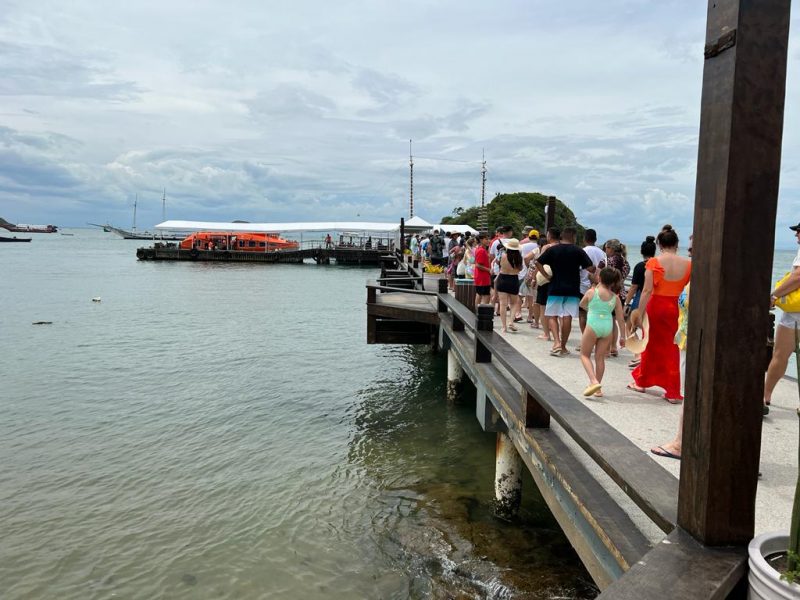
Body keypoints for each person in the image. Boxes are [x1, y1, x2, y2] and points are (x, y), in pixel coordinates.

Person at [628, 224, 691, 403]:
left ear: (659, 244)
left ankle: (642, 382)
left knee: (650, 342)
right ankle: (672, 391)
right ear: (677, 244)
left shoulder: (653, 262)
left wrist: (638, 313)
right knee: (673, 346)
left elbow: (647, 290)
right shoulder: (689, 264)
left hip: (656, 306)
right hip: (676, 307)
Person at [536, 226, 595, 356]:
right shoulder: (578, 251)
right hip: (572, 288)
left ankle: (556, 342)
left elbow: (538, 262)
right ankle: (563, 346)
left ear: (562, 236)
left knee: (552, 315)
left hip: (555, 286)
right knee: (567, 316)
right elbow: (590, 268)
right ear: (573, 237)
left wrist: (546, 275)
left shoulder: (553, 250)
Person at [764, 223, 800, 412]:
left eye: (799, 232)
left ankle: (765, 395)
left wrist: (774, 295)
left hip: (796, 314)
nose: (796, 237)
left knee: (780, 354)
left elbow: (797, 277)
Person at [579, 267, 626, 397]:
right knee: (600, 358)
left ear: (599, 278)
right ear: (613, 282)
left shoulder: (591, 292)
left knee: (584, 355)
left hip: (593, 324)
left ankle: (593, 381)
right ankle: (598, 388)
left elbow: (582, 304)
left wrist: (591, 309)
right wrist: (623, 336)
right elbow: (621, 319)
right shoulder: (615, 298)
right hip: (607, 326)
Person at [624, 236, 657, 369]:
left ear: (641, 251)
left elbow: (633, 287)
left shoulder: (639, 266)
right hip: (655, 299)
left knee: (630, 326)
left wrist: (626, 303)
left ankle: (638, 355)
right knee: (647, 329)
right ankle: (645, 355)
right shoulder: (658, 265)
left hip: (640, 298)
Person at [603, 239, 630, 356]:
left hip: (610, 293)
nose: (605, 251)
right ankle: (614, 346)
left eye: (606, 248)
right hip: (622, 292)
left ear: (611, 248)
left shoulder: (610, 261)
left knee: (609, 320)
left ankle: (608, 347)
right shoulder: (625, 261)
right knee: (616, 320)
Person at [579, 229, 606, 333]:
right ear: (595, 239)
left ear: (584, 238)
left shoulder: (583, 251)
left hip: (583, 287)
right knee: (595, 315)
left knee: (582, 315)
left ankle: (585, 339)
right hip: (599, 288)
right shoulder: (603, 253)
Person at [535, 228, 560, 341]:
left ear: (550, 236)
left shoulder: (546, 247)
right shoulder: (561, 247)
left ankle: (546, 333)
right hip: (558, 280)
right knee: (556, 309)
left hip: (546, 279)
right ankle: (557, 333)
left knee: (543, 306)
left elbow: (539, 262)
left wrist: (535, 278)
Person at [496, 238, 523, 333]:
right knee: (514, 303)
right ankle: (511, 322)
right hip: (513, 279)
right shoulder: (519, 258)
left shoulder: (503, 255)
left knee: (503, 304)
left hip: (503, 279)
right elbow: (520, 269)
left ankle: (504, 327)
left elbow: (498, 263)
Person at [519, 230, 540, 326]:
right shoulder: (538, 247)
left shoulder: (522, 246)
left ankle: (518, 313)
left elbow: (523, 258)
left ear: (529, 236)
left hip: (522, 272)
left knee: (520, 295)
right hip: (534, 274)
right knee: (531, 296)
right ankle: (530, 316)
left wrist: (527, 267)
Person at [473, 233, 492, 307]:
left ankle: (477, 311)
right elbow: (478, 265)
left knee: (480, 294)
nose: (488, 241)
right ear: (481, 240)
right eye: (486, 239)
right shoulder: (481, 250)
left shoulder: (482, 249)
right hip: (482, 277)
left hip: (482, 276)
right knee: (485, 295)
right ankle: (482, 312)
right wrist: (488, 270)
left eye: (488, 239)